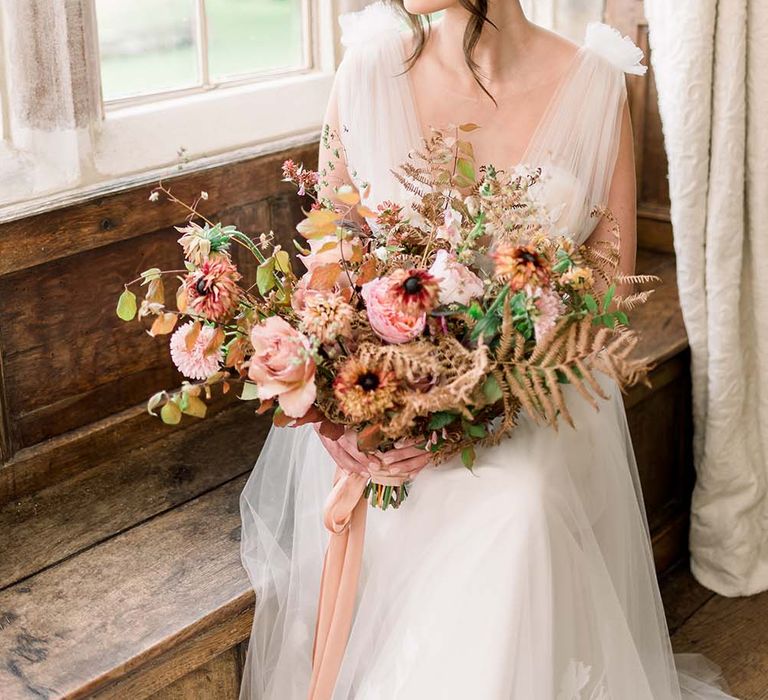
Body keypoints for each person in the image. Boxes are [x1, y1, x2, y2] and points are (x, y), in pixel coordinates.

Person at [240, 2, 736, 697]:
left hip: (528, 398)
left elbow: (609, 280)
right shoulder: (368, 70)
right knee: (441, 499)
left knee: (520, 501)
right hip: (385, 406)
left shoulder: (594, 83)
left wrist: (487, 394)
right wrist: (337, 414)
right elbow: (330, 264)